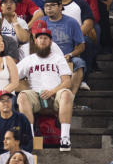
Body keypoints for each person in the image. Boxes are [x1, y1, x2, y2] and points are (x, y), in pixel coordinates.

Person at [15, 22, 73, 152]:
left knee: (66, 93)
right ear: (35, 40)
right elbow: (13, 76)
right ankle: (30, 137)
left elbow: (67, 82)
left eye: (46, 38)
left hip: (55, 95)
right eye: (40, 38)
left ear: (50, 41)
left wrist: (52, 91)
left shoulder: (58, 58)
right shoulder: (29, 60)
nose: (43, 41)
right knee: (22, 96)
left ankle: (64, 138)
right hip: (36, 95)